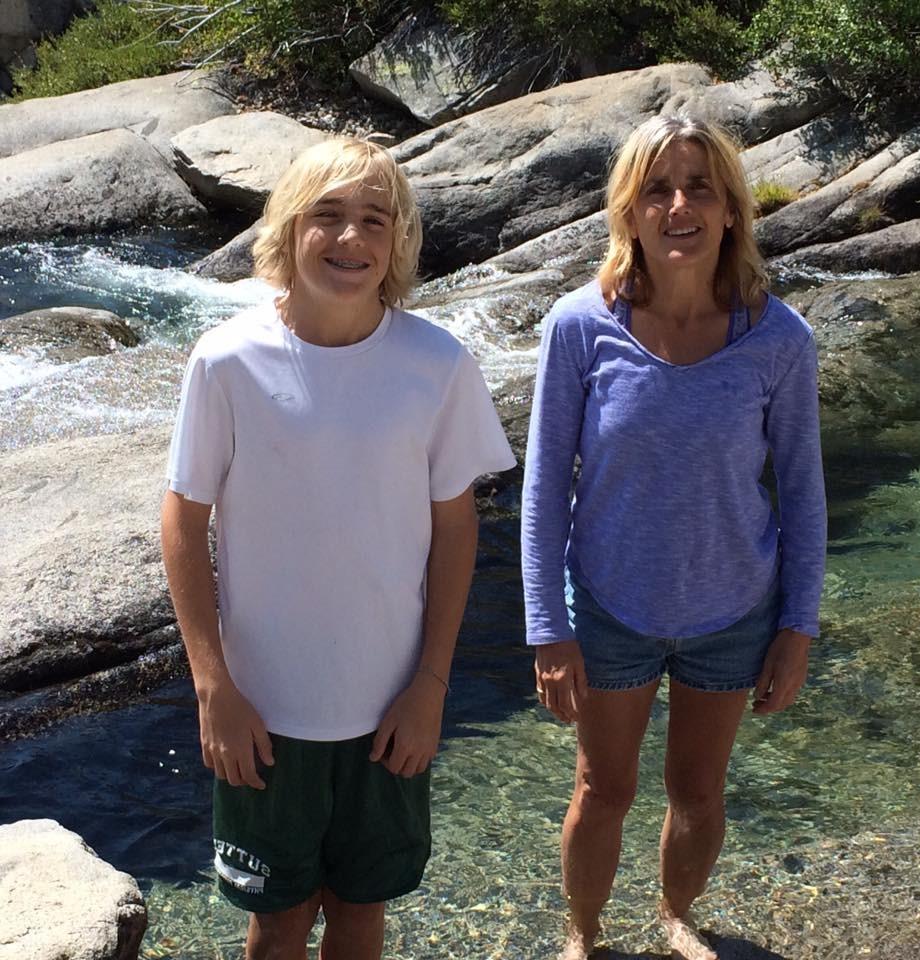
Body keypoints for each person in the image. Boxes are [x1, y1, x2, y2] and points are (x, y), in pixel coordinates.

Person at [160, 136, 516, 960]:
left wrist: (432, 684)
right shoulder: (226, 362)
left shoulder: (436, 364)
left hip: (391, 709)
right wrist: (215, 688)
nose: (350, 239)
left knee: (361, 909)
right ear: (287, 230)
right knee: (278, 917)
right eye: (327, 217)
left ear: (398, 242)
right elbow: (182, 523)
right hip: (263, 710)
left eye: (373, 220)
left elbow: (455, 530)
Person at [520, 114, 826, 960]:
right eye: (657, 189)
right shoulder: (580, 327)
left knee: (697, 791)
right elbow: (543, 491)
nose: (679, 205)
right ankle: (583, 937)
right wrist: (549, 628)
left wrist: (797, 629)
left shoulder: (780, 340)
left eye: (700, 188)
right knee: (601, 789)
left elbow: (802, 496)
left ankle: (673, 917)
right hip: (613, 608)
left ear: (732, 210)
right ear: (629, 211)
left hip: (734, 611)